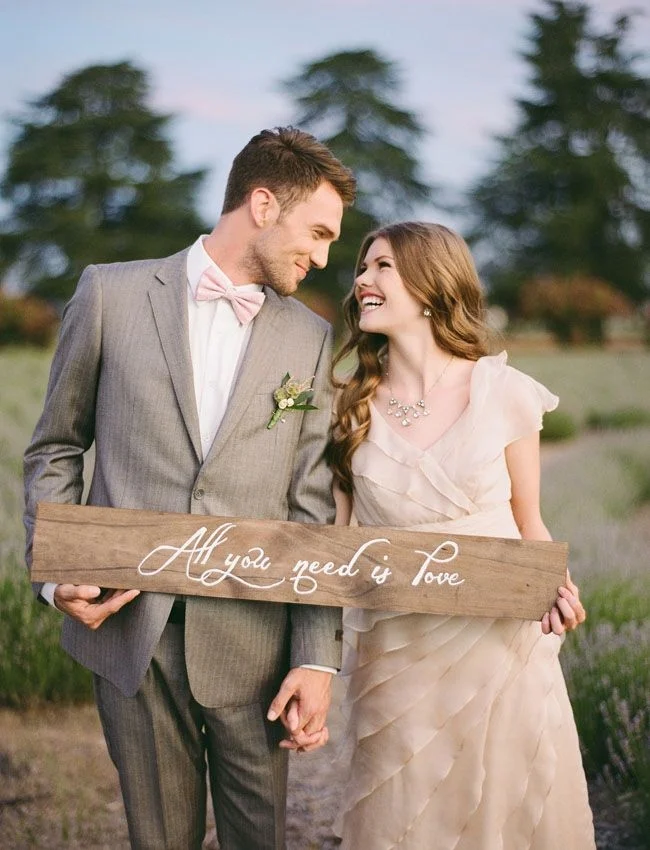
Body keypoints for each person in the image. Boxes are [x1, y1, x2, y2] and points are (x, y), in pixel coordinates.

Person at [23, 126, 356, 850]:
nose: (324, 257)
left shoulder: (308, 337)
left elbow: (310, 510)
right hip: (130, 638)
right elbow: (55, 447)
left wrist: (314, 656)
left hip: (255, 645)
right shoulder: (108, 294)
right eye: (319, 232)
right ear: (263, 205)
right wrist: (56, 572)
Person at [328, 221, 595, 849]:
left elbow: (529, 521)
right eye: (362, 267)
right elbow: (336, 544)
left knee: (508, 801)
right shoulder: (349, 407)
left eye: (382, 266)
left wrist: (555, 585)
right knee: (405, 813)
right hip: (396, 652)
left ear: (431, 287)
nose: (363, 279)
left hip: (500, 641)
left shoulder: (504, 393)